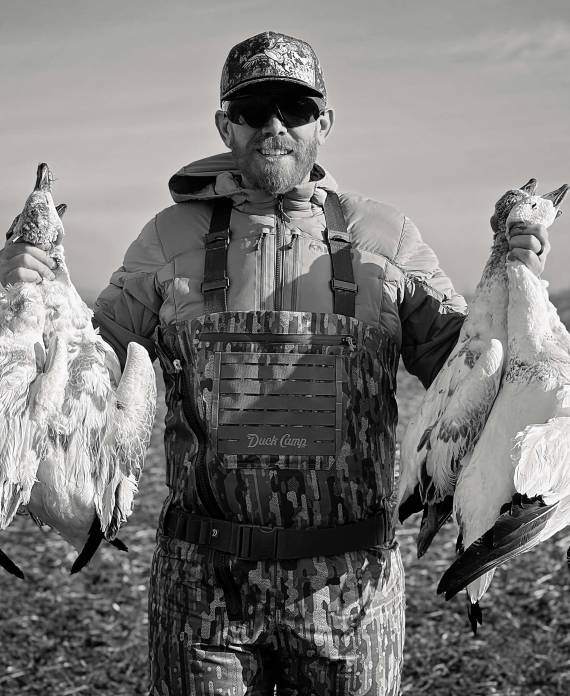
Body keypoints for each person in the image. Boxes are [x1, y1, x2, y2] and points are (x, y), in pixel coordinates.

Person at [0, 31, 551, 696]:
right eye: (253, 109)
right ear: (224, 125)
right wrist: (20, 298)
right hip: (203, 586)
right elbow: (89, 366)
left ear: (325, 122)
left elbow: (469, 373)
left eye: (295, 108)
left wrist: (512, 274)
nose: (274, 126)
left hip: (351, 586)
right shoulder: (167, 239)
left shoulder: (387, 238)